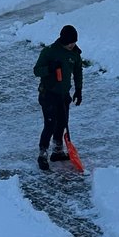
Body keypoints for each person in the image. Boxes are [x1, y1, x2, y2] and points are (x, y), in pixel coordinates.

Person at [33, 25, 83, 170]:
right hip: (48, 94)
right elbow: (37, 71)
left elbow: (78, 72)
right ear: (63, 40)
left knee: (62, 123)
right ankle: (42, 154)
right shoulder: (49, 52)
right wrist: (50, 69)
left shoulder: (75, 53)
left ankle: (57, 151)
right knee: (50, 124)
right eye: (69, 42)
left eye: (74, 42)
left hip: (63, 94)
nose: (72, 45)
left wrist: (78, 90)